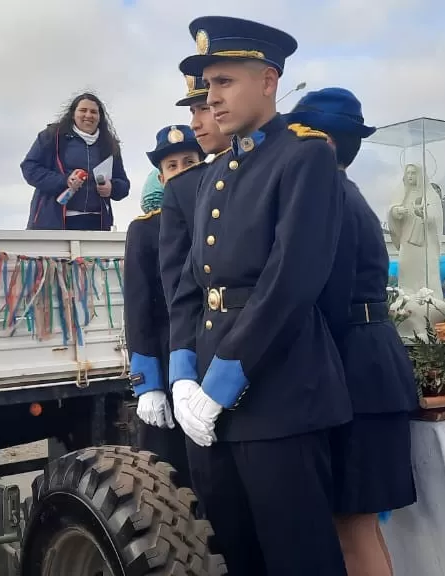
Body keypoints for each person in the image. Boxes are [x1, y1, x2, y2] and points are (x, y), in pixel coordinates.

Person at [167, 16, 352, 575]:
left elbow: (291, 280)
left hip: (278, 395)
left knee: (299, 559)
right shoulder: (218, 170)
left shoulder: (304, 155)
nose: (211, 98)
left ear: (269, 80)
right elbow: (190, 284)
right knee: (235, 555)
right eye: (208, 85)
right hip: (208, 399)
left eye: (224, 82)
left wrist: (222, 381)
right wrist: (182, 372)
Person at [287, 87, 418, 576]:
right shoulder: (347, 193)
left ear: (321, 144)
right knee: (360, 527)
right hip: (370, 367)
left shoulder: (331, 198)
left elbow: (329, 297)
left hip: (357, 372)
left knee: (350, 530)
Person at [126, 124, 205, 488]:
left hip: (216, 352)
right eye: (172, 166)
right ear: (161, 177)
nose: (182, 171)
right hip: (166, 353)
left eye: (190, 162)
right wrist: (148, 384)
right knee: (170, 478)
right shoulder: (145, 230)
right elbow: (138, 310)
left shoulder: (223, 217)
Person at [158, 74, 230, 313]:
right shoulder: (184, 188)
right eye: (193, 111)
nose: (194, 124)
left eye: (204, 108)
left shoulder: (280, 162)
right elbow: (180, 290)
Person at [21, 92, 131, 231]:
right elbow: (29, 168)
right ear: (73, 114)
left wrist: (112, 188)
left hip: (97, 223)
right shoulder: (52, 136)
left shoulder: (109, 144)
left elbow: (124, 185)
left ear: (100, 117)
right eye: (83, 110)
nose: (88, 115)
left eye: (94, 112)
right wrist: (64, 180)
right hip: (53, 223)